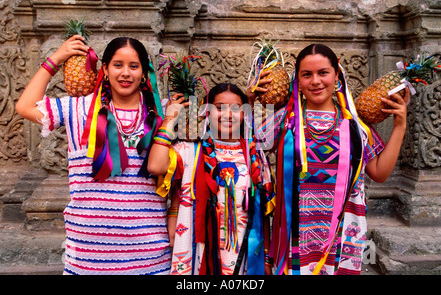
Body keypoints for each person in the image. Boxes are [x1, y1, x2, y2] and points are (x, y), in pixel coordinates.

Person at [16, 36, 171, 275]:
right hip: (89, 257)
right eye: (118, 65)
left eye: (134, 66)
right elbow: (25, 106)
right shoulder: (77, 109)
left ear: (144, 72)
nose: (125, 73)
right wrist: (56, 59)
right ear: (105, 69)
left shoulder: (161, 113)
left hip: (148, 255)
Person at [250, 43, 409, 275]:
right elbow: (245, 147)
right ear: (298, 79)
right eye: (307, 74)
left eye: (323, 72)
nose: (315, 81)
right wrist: (249, 100)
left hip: (342, 238)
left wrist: (400, 125)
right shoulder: (285, 121)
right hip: (295, 237)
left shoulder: (355, 124)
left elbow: (379, 173)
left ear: (337, 75)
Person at [148, 83, 274, 275]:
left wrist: (265, 257)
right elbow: (155, 166)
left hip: (245, 252)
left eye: (236, 109)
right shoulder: (190, 151)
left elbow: (264, 210)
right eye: (220, 108)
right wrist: (169, 120)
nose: (228, 115)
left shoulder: (254, 155)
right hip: (198, 250)